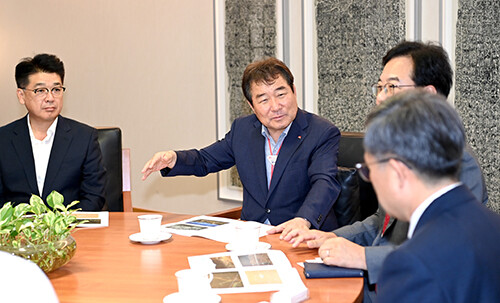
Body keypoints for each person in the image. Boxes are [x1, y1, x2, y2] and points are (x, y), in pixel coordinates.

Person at [280, 41, 488, 302]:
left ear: (428, 94)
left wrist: (362, 257)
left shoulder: (457, 162)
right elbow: (381, 223)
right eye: (379, 87)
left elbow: (450, 253)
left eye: (391, 86)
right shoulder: (401, 153)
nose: (379, 97)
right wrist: (330, 236)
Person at [142, 57, 342, 231]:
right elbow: (205, 160)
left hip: (301, 235)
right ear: (251, 105)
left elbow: (325, 182)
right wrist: (173, 158)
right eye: (263, 100)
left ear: (293, 91)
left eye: (281, 94)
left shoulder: (321, 132)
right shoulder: (243, 130)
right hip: (253, 236)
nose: (275, 106)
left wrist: (303, 220)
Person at [365, 90, 500, 302]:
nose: (370, 179)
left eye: (369, 169)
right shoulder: (494, 225)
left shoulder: (410, 264)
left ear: (397, 172)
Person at [0, 54, 106, 210]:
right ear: (21, 96)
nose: (50, 98)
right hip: (18, 231)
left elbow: (94, 197)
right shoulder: (3, 140)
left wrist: (59, 228)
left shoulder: (84, 138)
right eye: (40, 90)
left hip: (71, 230)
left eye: (56, 89)